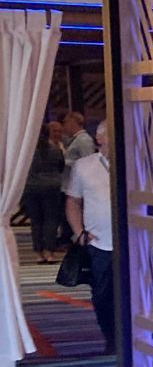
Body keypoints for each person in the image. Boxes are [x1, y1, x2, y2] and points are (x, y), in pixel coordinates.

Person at [63, 113, 116, 353]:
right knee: (103, 294)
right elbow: (73, 201)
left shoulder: (134, 162)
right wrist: (78, 232)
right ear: (100, 139)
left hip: (133, 242)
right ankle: (111, 337)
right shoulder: (84, 167)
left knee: (137, 292)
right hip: (99, 242)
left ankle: (133, 336)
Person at [24, 120, 67, 262]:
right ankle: (49, 252)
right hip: (51, 187)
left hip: (31, 187)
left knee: (36, 221)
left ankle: (38, 252)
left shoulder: (27, 150)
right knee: (51, 220)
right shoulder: (55, 148)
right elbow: (61, 166)